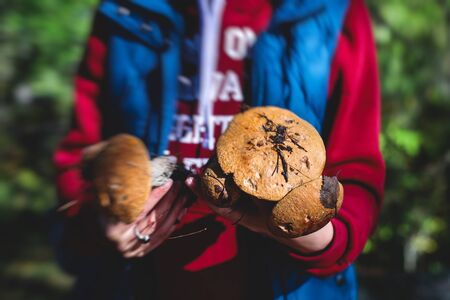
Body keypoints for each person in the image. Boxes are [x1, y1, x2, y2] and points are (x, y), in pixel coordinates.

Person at [53, 0, 385, 299]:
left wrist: (322, 240)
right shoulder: (127, 8)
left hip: (283, 283)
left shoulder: (331, 10)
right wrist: (99, 219)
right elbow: (79, 155)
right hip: (136, 282)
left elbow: (357, 168)